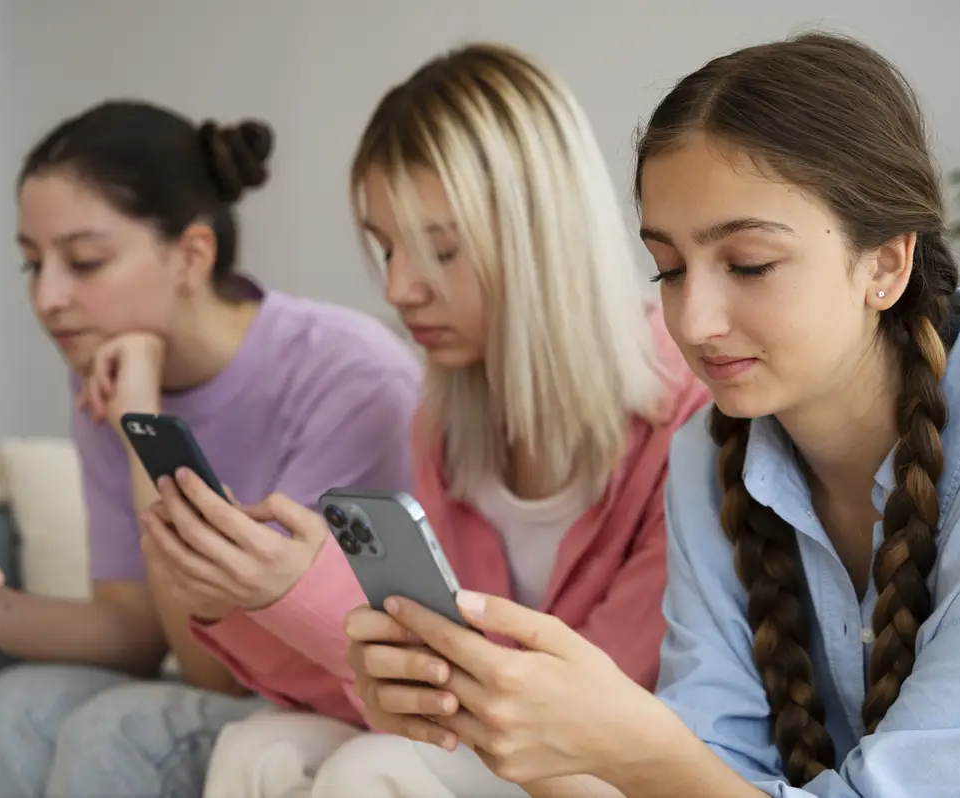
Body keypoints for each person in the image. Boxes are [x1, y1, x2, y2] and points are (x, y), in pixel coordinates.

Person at [344, 32, 960, 798]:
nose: (695, 320)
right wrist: (491, 719)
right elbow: (711, 776)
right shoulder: (708, 455)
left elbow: (678, 770)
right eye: (670, 269)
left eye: (748, 264)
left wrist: (632, 745)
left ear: (884, 264)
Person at [0, 100, 421, 798]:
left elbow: (214, 665)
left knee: (119, 729)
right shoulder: (111, 371)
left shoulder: (351, 375)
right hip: (223, 670)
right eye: (32, 266)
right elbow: (134, 627)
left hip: (321, 692)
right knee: (16, 704)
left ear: (191, 255)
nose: (49, 298)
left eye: (85, 261)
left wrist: (142, 430)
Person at [191, 43, 709, 798]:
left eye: (439, 250)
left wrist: (318, 597)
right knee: (257, 746)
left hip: (609, 757)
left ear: (544, 238)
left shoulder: (690, 413)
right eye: (385, 248)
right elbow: (391, 703)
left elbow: (586, 705)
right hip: (489, 731)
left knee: (377, 768)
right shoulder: (445, 421)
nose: (400, 288)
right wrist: (249, 600)